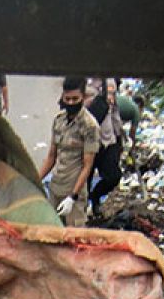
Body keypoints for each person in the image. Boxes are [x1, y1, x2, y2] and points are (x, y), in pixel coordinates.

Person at [37, 77, 99, 227]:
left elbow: (87, 165)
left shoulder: (89, 126)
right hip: (56, 186)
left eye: (75, 99)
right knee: (50, 233)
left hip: (74, 192)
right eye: (67, 99)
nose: (71, 103)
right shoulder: (59, 121)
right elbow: (52, 156)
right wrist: (35, 180)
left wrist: (73, 196)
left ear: (83, 98)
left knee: (74, 240)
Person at [87, 78, 124, 217]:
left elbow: (117, 124)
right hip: (92, 146)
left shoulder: (115, 106)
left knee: (113, 176)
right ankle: (85, 209)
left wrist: (120, 143)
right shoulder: (95, 104)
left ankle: (95, 197)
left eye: (113, 94)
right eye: (108, 93)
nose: (111, 97)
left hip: (109, 144)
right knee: (86, 179)